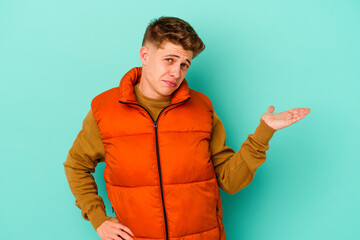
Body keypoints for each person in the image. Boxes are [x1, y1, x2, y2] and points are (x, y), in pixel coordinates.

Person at [63, 16, 310, 240]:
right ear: (145, 55)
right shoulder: (105, 109)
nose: (176, 72)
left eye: (184, 64)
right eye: (169, 60)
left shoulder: (202, 108)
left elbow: (230, 181)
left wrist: (264, 132)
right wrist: (99, 219)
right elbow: (77, 165)